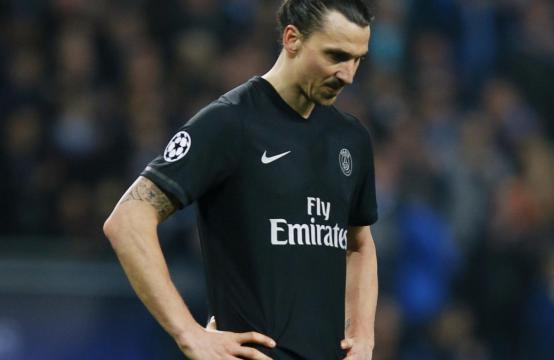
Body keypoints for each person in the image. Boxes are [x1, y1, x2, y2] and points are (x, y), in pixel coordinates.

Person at [103, 1, 378, 359]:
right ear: (292, 39)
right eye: (336, 55)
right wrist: (188, 333)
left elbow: (359, 242)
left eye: (358, 59)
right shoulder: (229, 123)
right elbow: (127, 221)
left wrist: (363, 334)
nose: (348, 75)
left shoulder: (351, 138)